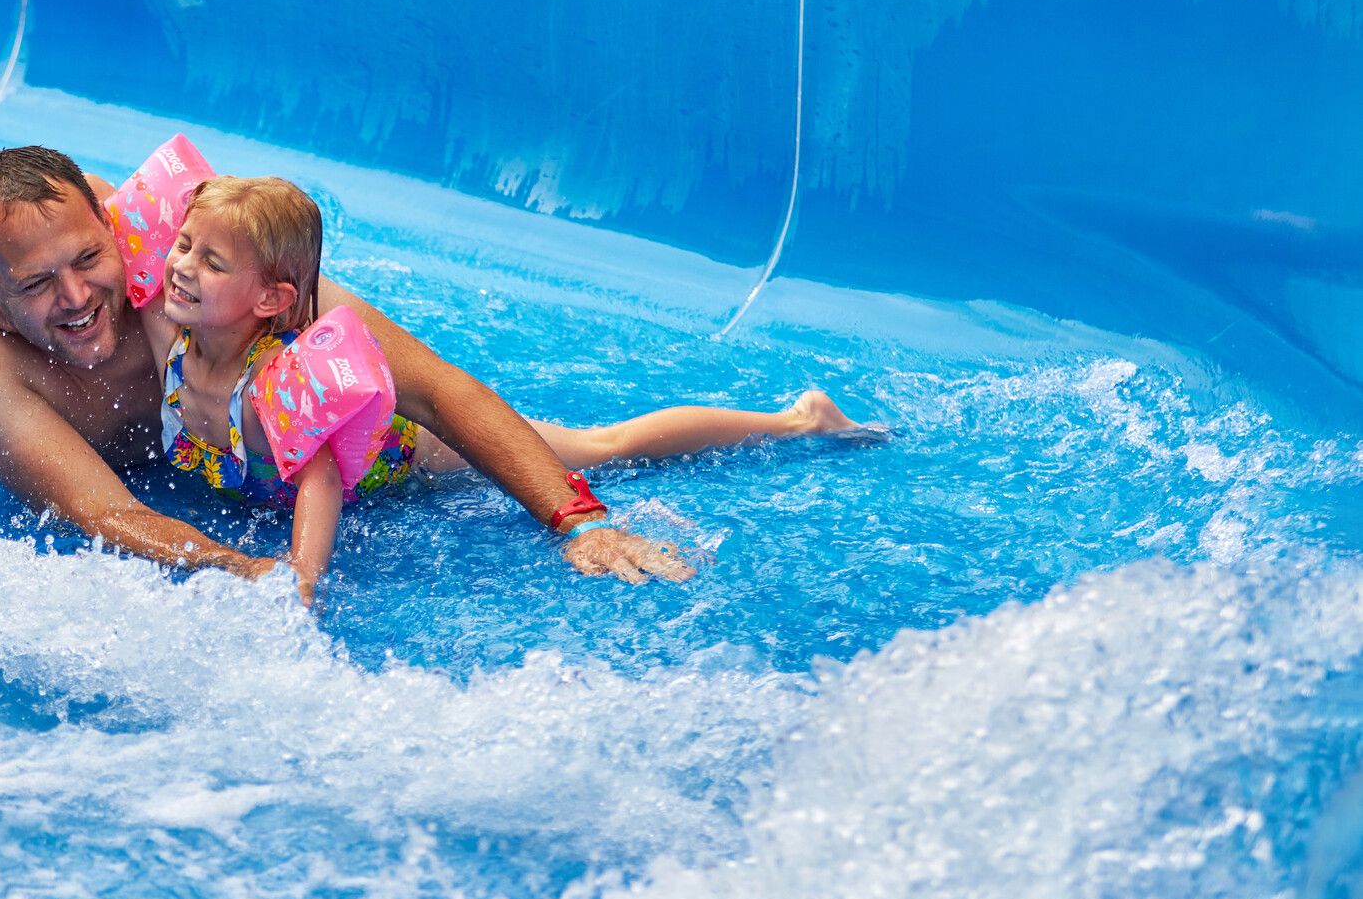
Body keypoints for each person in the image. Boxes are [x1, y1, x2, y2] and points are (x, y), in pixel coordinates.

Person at [0, 143, 758, 583]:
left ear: (120, 236)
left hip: (185, 397)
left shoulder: (196, 289)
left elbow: (444, 393)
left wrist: (573, 520)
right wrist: (239, 567)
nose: (77, 300)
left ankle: (787, 421)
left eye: (87, 260)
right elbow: (96, 506)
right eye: (36, 282)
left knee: (573, 452)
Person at [147, 175, 862, 600]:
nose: (181, 266)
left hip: (422, 452)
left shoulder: (274, 380)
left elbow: (320, 476)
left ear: (271, 300)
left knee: (599, 446)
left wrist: (302, 581)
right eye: (183, 244)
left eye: (211, 261)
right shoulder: (176, 331)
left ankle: (796, 420)